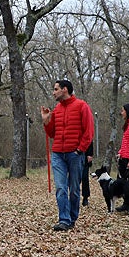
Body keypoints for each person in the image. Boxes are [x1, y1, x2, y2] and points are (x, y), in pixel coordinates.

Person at [40, 79, 94, 232]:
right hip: (58, 153)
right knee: (61, 188)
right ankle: (64, 219)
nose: (53, 92)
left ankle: (72, 218)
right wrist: (46, 121)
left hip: (74, 154)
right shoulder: (57, 109)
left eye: (56, 89)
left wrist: (80, 150)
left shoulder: (82, 106)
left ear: (64, 90)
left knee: (75, 189)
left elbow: (89, 132)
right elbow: (52, 134)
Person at [80, 140, 95, 207]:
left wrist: (90, 154)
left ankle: (85, 197)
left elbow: (89, 138)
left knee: (85, 178)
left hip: (85, 155)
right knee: (74, 178)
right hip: (73, 154)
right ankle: (73, 198)